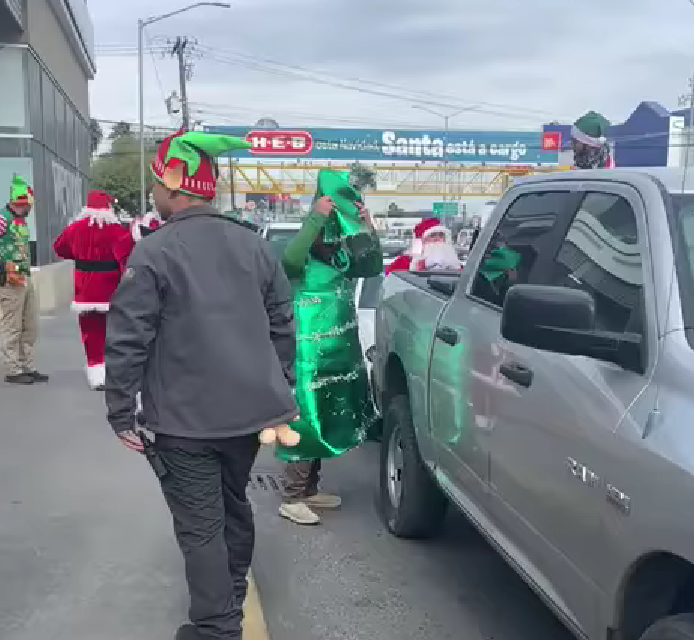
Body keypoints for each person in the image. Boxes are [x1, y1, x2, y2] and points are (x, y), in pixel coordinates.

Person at [104, 130, 298, 640]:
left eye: (155, 184)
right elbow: (283, 324)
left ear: (173, 186)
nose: (152, 194)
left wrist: (120, 411)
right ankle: (232, 594)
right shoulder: (254, 247)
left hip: (185, 422)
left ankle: (216, 627)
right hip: (249, 417)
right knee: (233, 504)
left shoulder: (152, 253)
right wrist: (279, 387)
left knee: (200, 525)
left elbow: (128, 338)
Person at [277, 167, 383, 526]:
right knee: (306, 415)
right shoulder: (304, 251)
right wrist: (313, 218)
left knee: (325, 412)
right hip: (308, 347)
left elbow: (370, 265)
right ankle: (291, 495)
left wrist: (367, 226)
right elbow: (288, 261)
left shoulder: (339, 253)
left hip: (338, 346)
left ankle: (309, 488)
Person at [53, 190, 132, 390]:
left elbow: (59, 248)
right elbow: (126, 255)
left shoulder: (75, 228)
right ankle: (114, 372)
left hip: (85, 291)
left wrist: (79, 254)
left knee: (90, 333)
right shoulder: (117, 230)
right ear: (108, 208)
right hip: (110, 290)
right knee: (113, 333)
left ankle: (97, 374)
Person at [0, 174, 48, 385]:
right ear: (20, 202)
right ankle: (13, 368)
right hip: (9, 280)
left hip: (25, 277)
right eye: (28, 204)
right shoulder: (3, 219)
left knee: (29, 325)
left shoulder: (21, 221)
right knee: (11, 325)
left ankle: (26, 364)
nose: (30, 207)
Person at [385, 217, 459, 274]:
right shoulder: (403, 262)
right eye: (432, 235)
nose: (437, 239)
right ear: (422, 241)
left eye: (441, 235)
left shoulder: (453, 262)